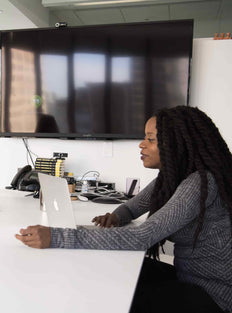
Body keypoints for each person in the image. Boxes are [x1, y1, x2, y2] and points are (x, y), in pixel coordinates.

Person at [15, 106, 232, 313]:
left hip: (212, 296)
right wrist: (116, 217)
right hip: (188, 277)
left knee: (116, 293)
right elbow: (131, 209)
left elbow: (142, 236)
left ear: (177, 144)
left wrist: (57, 237)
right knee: (114, 269)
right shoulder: (171, 178)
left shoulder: (200, 183)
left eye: (150, 139)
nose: (141, 145)